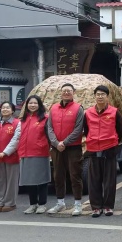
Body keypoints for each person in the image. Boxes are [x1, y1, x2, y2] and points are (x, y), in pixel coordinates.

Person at [83, 85, 122, 218]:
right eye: (98, 94)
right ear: (94, 96)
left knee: (109, 181)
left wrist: (113, 141)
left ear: (107, 97)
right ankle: (96, 207)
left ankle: (108, 206)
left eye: (103, 94)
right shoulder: (88, 113)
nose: (100, 97)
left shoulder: (114, 112)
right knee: (94, 180)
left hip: (109, 150)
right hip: (93, 150)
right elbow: (86, 129)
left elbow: (121, 130)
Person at [46, 83, 85, 216]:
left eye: (69, 91)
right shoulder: (53, 108)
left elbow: (79, 129)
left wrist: (65, 142)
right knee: (58, 175)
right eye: (64, 91)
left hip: (73, 147)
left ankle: (78, 204)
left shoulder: (78, 108)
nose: (66, 93)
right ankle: (60, 203)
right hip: (56, 148)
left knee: (75, 175)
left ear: (74, 92)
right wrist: (56, 143)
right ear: (60, 93)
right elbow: (49, 127)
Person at [18, 95, 51, 215]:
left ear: (39, 105)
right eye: (30, 103)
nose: (32, 105)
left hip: (40, 152)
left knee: (42, 179)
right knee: (29, 180)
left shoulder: (45, 118)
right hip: (25, 153)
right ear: (26, 105)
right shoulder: (22, 119)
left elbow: (50, 135)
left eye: (35, 103)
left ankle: (42, 204)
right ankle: (33, 204)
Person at [0, 102, 21, 213]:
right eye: (3, 108)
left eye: (7, 108)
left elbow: (16, 139)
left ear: (12, 110)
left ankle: (10, 203)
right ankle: (0, 202)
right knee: (0, 180)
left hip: (11, 156)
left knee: (11, 180)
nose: (5, 109)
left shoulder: (17, 123)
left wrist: (5, 152)